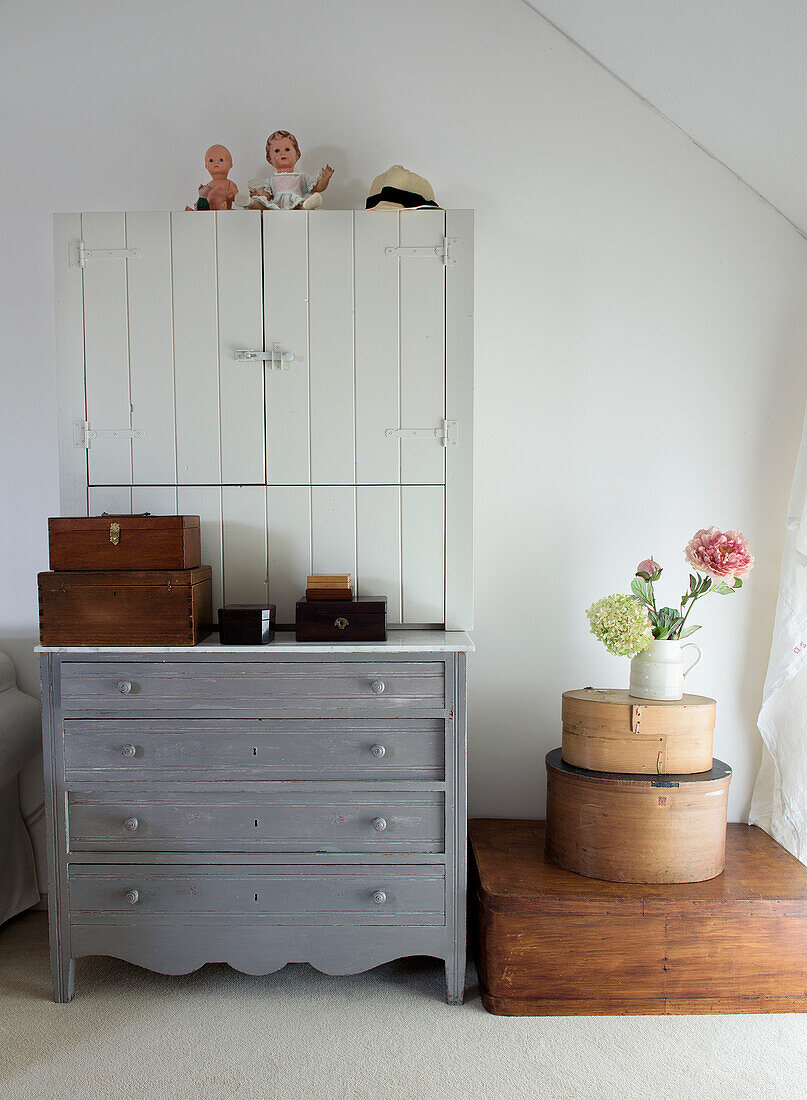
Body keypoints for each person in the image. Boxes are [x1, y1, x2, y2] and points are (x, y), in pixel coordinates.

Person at [243, 130, 333, 210]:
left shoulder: (301, 178)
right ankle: (250, 202)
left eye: (287, 149)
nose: (282, 153)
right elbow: (267, 196)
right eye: (277, 151)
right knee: (264, 206)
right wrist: (259, 197)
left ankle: (305, 206)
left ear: (297, 154)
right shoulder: (271, 181)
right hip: (276, 206)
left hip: (296, 204)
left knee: (299, 205)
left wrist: (325, 179)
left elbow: (317, 188)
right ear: (270, 159)